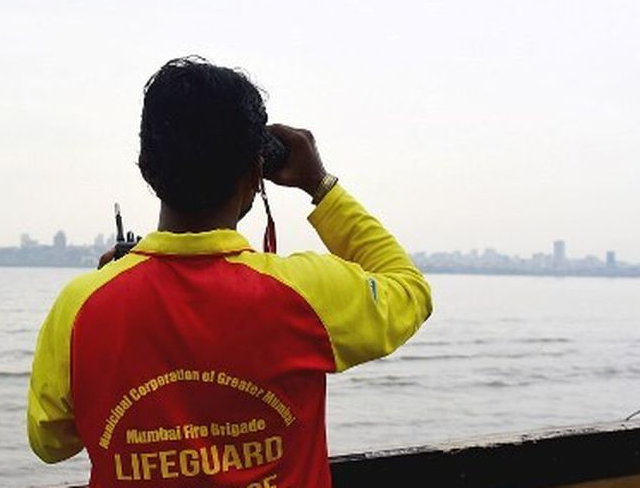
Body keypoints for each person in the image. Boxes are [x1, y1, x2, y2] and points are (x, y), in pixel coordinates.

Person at [27, 56, 433, 488]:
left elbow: (50, 442)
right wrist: (320, 184)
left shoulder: (81, 307)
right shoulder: (307, 294)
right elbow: (409, 288)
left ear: (147, 168)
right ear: (256, 173)